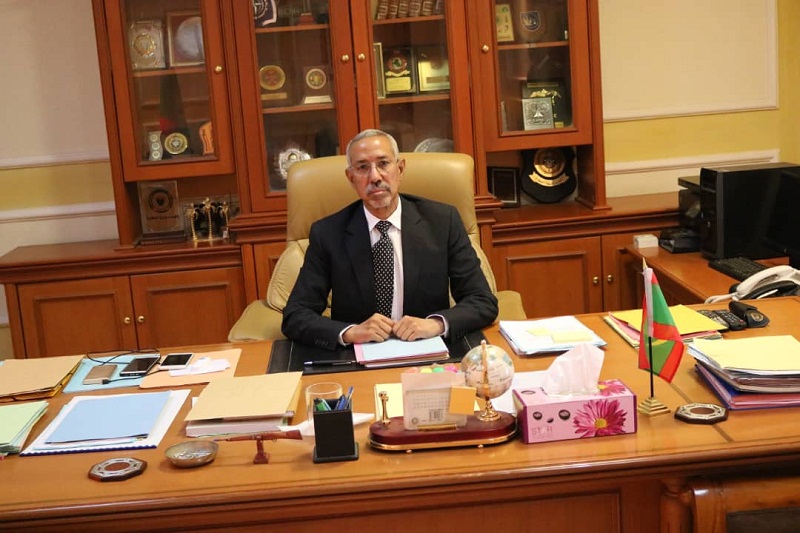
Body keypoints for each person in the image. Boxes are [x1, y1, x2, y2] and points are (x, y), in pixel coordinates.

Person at [281, 129, 498, 350]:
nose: (375, 177)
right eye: (362, 167)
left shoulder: (442, 222)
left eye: (383, 163)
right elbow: (296, 315)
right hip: (358, 356)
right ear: (351, 178)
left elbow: (482, 301)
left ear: (400, 169)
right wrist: (350, 332)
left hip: (428, 353)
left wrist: (436, 324)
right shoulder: (328, 233)